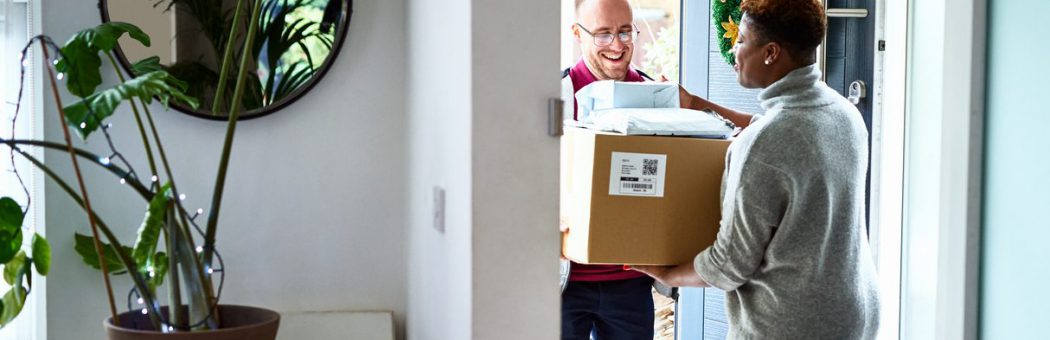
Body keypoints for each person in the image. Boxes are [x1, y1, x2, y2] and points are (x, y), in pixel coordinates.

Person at [630, 0, 881, 339]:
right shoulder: (842, 113)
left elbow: (728, 265)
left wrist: (668, 275)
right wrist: (698, 104)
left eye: (742, 40)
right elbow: (782, 134)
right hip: (853, 313)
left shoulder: (764, 145)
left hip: (792, 324)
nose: (735, 50)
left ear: (770, 53)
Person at [559, 0, 656, 339]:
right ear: (577, 34)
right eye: (603, 34)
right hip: (565, 281)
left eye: (625, 31)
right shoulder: (555, 97)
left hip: (631, 280)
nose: (617, 45)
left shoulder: (655, 97)